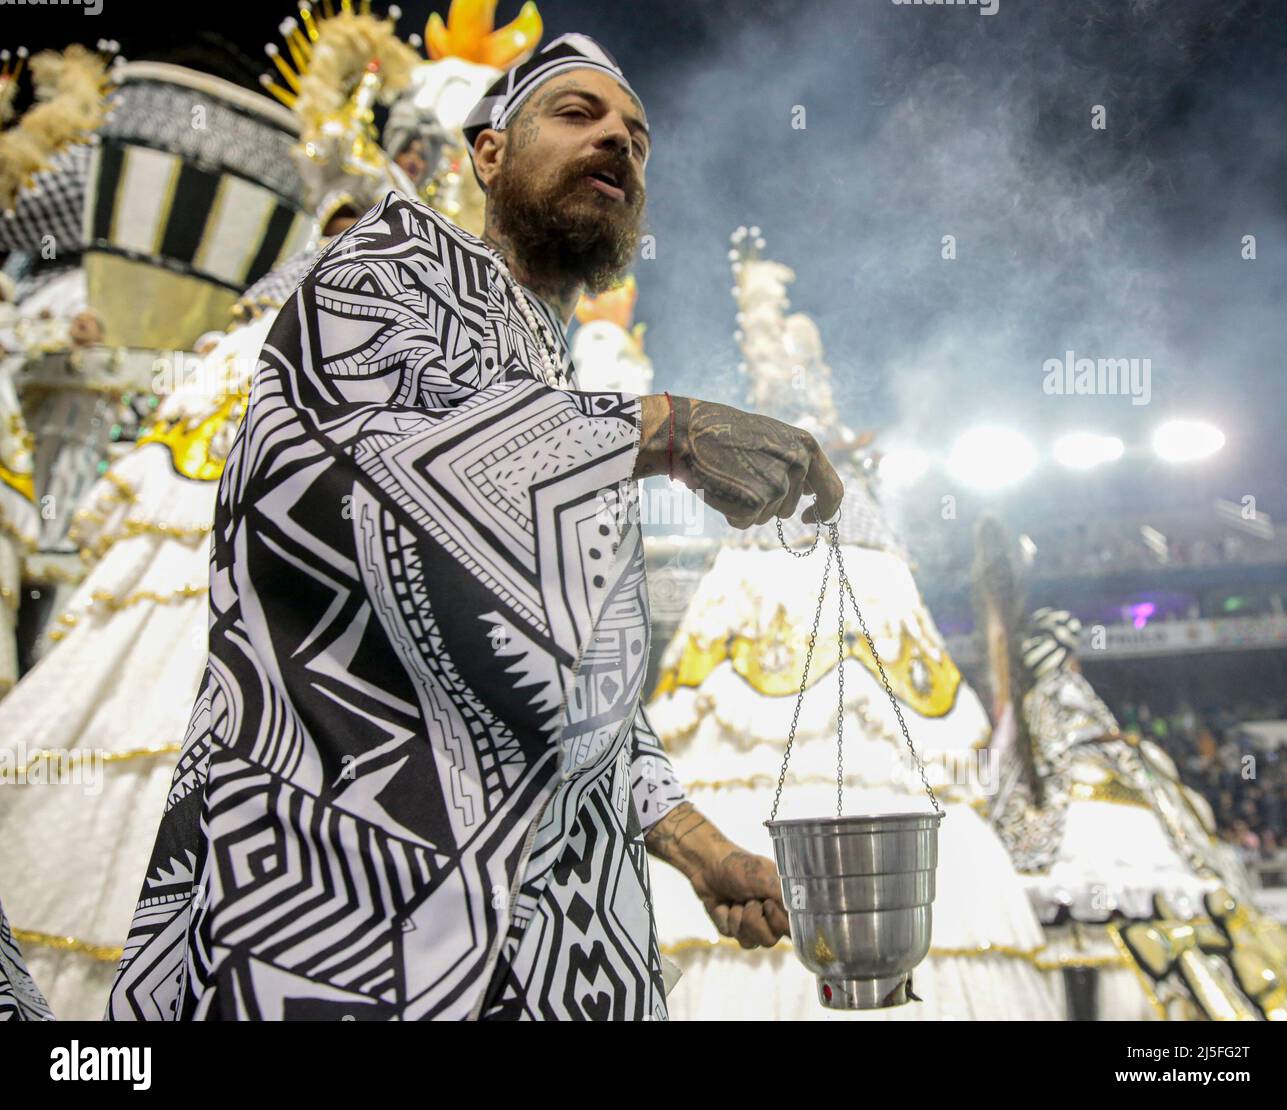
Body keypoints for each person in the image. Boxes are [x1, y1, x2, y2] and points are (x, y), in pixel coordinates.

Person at [105, 33, 842, 1021]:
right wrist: (664, 429)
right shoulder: (385, 267)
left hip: (557, 944)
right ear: (488, 152)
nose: (618, 143)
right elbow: (348, 466)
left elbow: (581, 684)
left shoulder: (563, 393)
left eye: (637, 136)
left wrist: (699, 849)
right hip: (344, 908)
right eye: (578, 115)